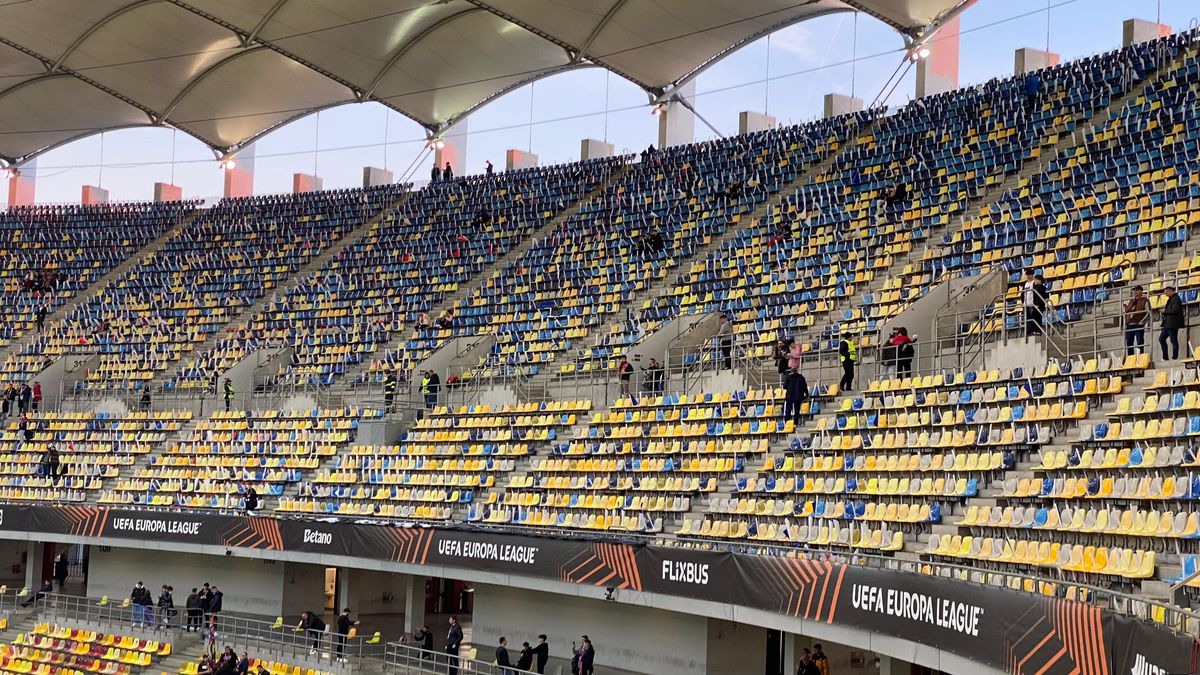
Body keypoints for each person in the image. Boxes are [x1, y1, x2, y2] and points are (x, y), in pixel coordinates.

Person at [1160, 286, 1186, 360]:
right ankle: (1165, 357)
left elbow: (1175, 310)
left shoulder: (1176, 299)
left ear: (1171, 291)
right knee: (1161, 339)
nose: (1166, 294)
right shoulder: (1171, 299)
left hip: (1173, 323)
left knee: (1173, 340)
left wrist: (1165, 311)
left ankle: (1175, 356)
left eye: (1167, 292)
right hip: (1167, 323)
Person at [1124, 285, 1149, 355]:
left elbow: (1148, 312)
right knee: (1129, 342)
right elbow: (1127, 311)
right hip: (1130, 324)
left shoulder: (1145, 300)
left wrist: (1142, 322)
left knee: (1139, 341)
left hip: (1138, 323)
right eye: (1134, 290)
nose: (1135, 292)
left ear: (1141, 291)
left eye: (1137, 290)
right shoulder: (1131, 301)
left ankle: (1140, 355)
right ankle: (1130, 357)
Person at [1022, 269, 1047, 336]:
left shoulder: (1034, 283)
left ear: (1032, 275)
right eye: (1027, 275)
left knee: (1034, 318)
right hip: (1026, 304)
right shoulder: (1025, 284)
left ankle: (1035, 331)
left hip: (1032, 303)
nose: (1028, 276)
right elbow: (1023, 294)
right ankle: (1028, 332)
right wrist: (1023, 302)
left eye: (1029, 275)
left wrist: (1036, 303)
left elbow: (1039, 292)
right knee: (1027, 319)